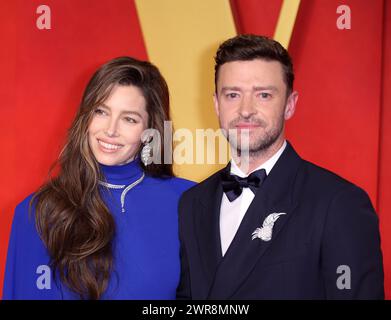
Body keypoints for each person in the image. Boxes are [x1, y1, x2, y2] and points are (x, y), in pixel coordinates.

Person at [177, 34, 384, 299]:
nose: (246, 110)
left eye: (263, 95)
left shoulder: (339, 203)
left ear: (290, 104)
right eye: (232, 95)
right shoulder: (192, 203)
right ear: (217, 104)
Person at [3, 56, 195, 300]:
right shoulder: (38, 212)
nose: (111, 130)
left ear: (150, 131)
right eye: (101, 111)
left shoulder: (189, 202)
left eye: (129, 119)